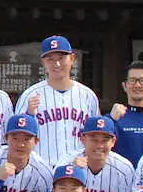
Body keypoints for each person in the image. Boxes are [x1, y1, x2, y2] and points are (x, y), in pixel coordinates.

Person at [15, 36, 100, 168]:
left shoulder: (88, 96)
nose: (57, 64)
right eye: (50, 59)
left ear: (72, 58)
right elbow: (16, 137)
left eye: (61, 58)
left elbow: (97, 135)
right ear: (43, 62)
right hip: (42, 169)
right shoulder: (29, 95)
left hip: (79, 169)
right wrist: (28, 114)